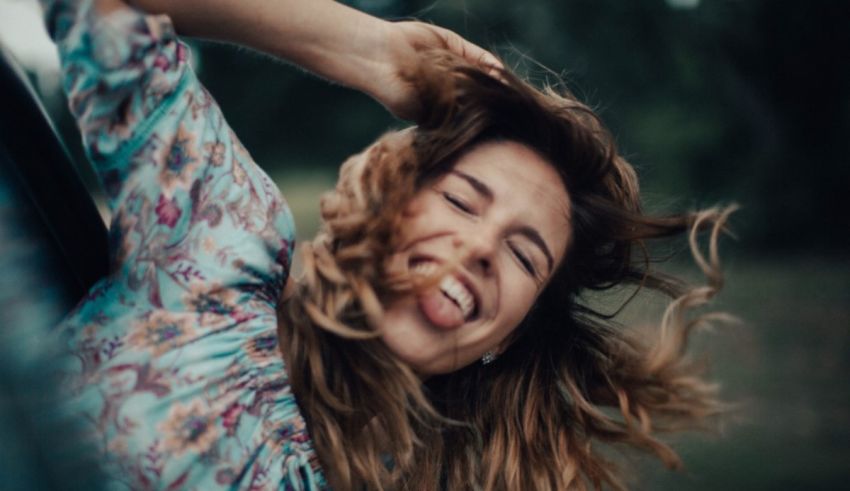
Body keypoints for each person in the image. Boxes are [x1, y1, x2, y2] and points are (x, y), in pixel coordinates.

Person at [41, 0, 734, 489]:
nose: (483, 246)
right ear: (393, 197)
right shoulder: (220, 239)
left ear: (512, 335)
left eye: (526, 256)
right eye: (463, 200)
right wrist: (364, 49)